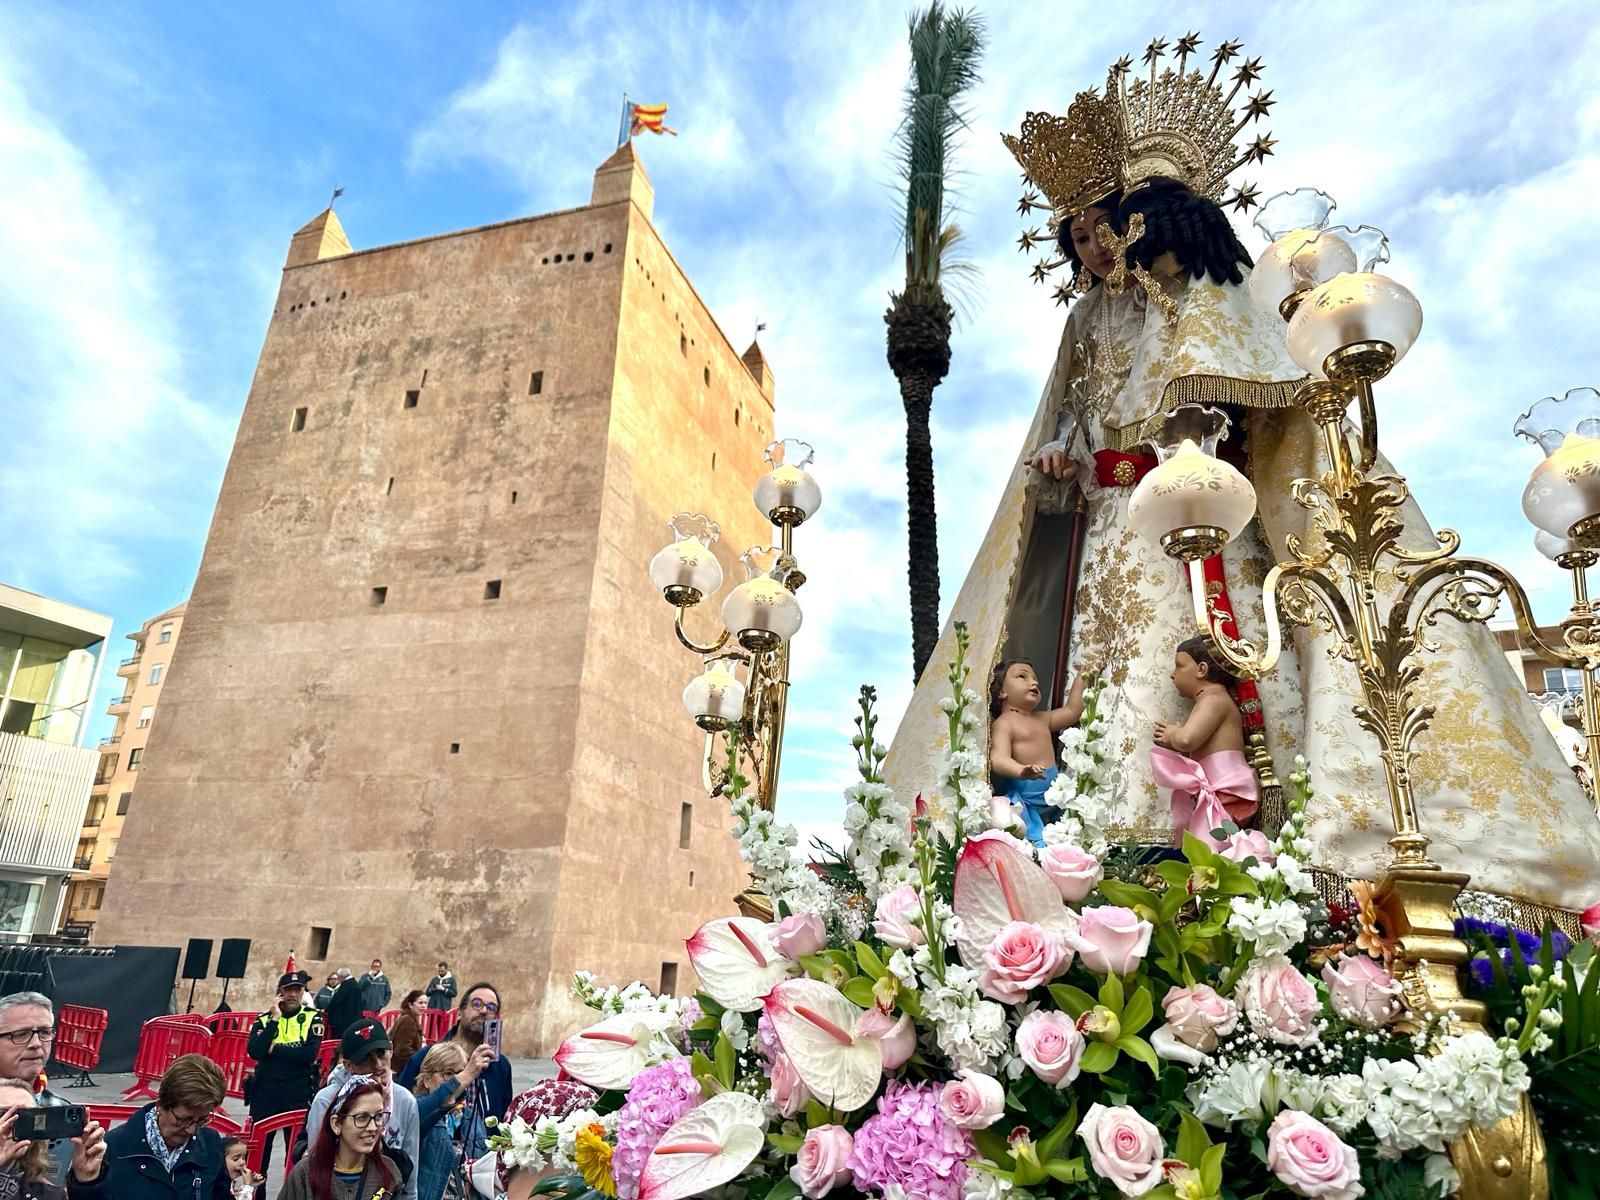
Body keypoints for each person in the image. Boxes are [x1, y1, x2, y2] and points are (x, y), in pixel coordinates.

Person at [882, 34, 1600, 920]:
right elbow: (1069, 413)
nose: (1094, 247)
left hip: (1206, 518)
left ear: (1150, 221)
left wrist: (1191, 426)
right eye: (1077, 237)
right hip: (1104, 532)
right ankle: (1077, 863)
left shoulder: (1206, 294)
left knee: (1198, 665)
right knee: (1100, 681)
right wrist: (1063, 456)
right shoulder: (1085, 321)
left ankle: (1232, 859)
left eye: (1105, 226)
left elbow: (1253, 385)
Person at [1151, 636, 1260, 846]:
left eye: (1179, 666)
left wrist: (1172, 734)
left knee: (1215, 843)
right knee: (1213, 840)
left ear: (1201, 670)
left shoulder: (1213, 699)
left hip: (1227, 788)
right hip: (1221, 787)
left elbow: (1187, 739)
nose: (1172, 675)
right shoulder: (1211, 699)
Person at [304, 1019, 418, 1200]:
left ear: (391, 1049)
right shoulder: (326, 1100)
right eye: (366, 1058)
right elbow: (316, 1168)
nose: (378, 1064)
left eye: (381, 1053)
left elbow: (410, 1175)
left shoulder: (405, 1100)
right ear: (348, 1065)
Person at [397, 984, 509, 1162]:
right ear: (459, 1012)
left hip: (480, 1167)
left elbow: (503, 1120)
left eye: (491, 1008)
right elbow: (400, 1109)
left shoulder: (500, 1066)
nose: (483, 1011)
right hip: (430, 1161)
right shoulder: (427, 1056)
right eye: (477, 1003)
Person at [103, 1053, 233, 1199]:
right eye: (183, 1119)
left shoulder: (211, 1144)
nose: (191, 1129)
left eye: (202, 1120)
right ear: (161, 1105)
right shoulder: (114, 1148)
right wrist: (84, 1183)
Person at [988, 662, 1090, 844]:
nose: (1033, 682)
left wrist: (1082, 677)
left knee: (1068, 839)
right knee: (1036, 844)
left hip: (1057, 800)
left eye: (1035, 679)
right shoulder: (1004, 723)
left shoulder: (1043, 718)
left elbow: (1072, 711)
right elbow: (998, 759)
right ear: (1001, 692)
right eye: (1022, 676)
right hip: (1027, 804)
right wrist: (1021, 770)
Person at [247, 971, 323, 1176]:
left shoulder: (311, 1017)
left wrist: (274, 1050)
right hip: (265, 1094)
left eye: (297, 990)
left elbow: (308, 1054)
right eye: (288, 990)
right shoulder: (264, 1020)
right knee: (258, 1158)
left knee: (296, 1156)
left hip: (296, 1095)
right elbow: (255, 1051)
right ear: (279, 992)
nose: (293, 994)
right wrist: (274, 1020)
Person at [277, 1079, 400, 1200]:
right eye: (362, 1118)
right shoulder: (305, 1175)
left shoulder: (388, 1173)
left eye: (378, 1117)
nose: (373, 1127)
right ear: (336, 1124)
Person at [0, 992, 76, 1186]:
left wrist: (87, 1180)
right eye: (20, 1034)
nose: (35, 1044)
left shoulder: (61, 1110)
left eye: (44, 1032)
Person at [0, 1077, 108, 1198]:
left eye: (27, 1116)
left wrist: (87, 1182)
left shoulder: (47, 1193)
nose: (14, 1124)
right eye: (3, 1114)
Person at [411, 1042, 493, 1200]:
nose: (456, 1080)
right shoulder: (416, 1109)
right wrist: (466, 1075)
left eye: (460, 1072)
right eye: (448, 1073)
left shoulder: (470, 1116)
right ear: (427, 1080)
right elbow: (417, 1120)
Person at [389, 991, 426, 1077]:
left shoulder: (411, 1018)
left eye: (425, 1003)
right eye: (420, 1003)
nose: (423, 1006)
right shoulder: (408, 1021)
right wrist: (419, 1060)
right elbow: (403, 1050)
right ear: (410, 1005)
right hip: (401, 1070)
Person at [322, 969, 364, 1039]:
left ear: (341, 977)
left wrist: (327, 1009)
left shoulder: (346, 985)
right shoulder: (355, 984)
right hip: (354, 1018)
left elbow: (337, 999)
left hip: (344, 1020)